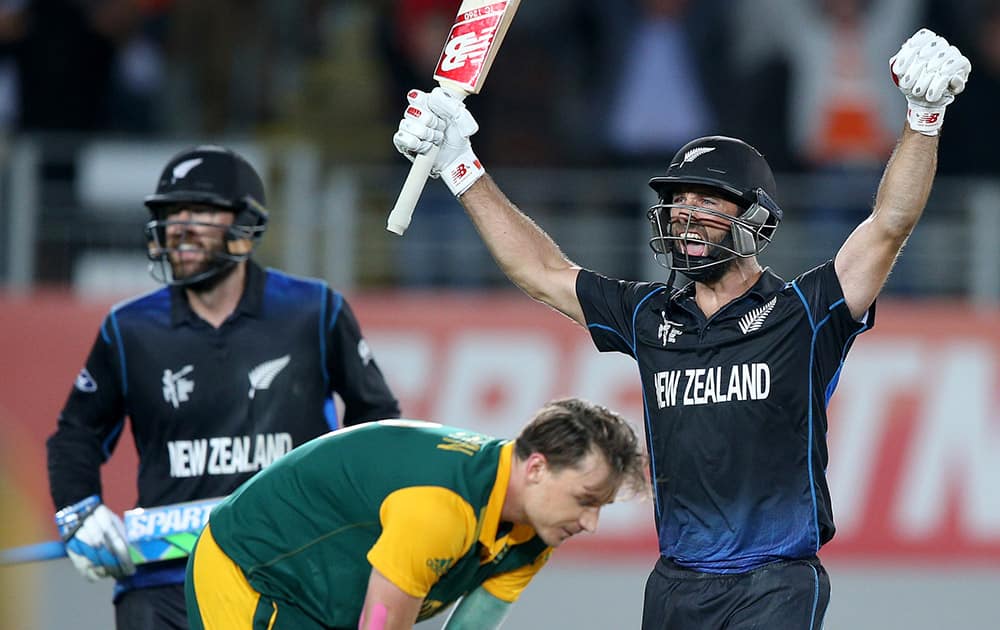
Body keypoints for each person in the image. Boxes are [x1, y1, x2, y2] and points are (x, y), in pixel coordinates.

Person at [392, 28, 970, 629]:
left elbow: (889, 224)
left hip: (774, 581)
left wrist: (923, 119)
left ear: (755, 219)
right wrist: (462, 167)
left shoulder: (806, 311)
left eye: (707, 203)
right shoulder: (649, 315)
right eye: (678, 202)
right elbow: (540, 272)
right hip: (674, 583)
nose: (686, 216)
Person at [46, 145, 401, 630]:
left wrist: (351, 512)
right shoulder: (128, 328)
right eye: (171, 213)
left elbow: (376, 419)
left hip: (291, 571)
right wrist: (78, 510)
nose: (180, 226)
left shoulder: (314, 310)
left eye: (200, 211)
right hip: (163, 581)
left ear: (243, 225)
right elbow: (76, 434)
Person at [184, 397, 648, 630]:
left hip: (328, 599)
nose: (590, 523)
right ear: (537, 467)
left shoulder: (535, 533)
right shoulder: (440, 509)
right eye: (586, 500)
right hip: (251, 576)